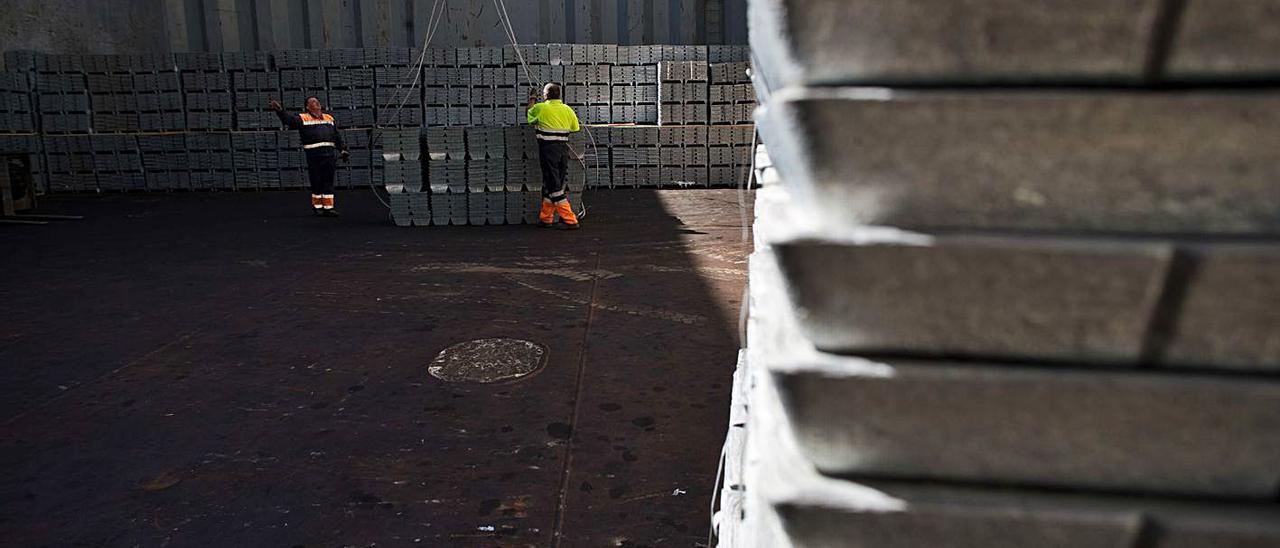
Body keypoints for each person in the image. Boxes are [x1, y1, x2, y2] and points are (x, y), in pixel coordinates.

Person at [270, 97, 349, 217]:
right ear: (307, 107)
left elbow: (336, 136)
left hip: (329, 155)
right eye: (312, 101)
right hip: (314, 156)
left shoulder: (329, 118)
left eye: (317, 101)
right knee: (316, 180)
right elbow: (289, 121)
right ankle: (317, 207)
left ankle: (329, 207)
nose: (316, 103)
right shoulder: (303, 118)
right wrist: (280, 111)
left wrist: (343, 150)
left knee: (328, 181)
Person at [525, 83, 581, 229]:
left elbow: (529, 115)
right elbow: (575, 127)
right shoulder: (567, 109)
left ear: (546, 95)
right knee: (551, 184)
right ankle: (546, 218)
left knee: (554, 186)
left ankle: (570, 219)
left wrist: (532, 98)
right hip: (563, 151)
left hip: (548, 150)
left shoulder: (540, 107)